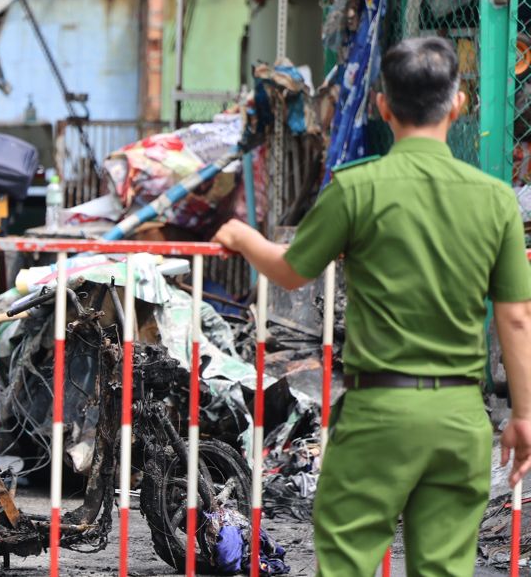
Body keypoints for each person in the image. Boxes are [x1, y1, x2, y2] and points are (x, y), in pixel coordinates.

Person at [212, 37, 531, 575]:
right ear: (458, 105)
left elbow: (291, 270)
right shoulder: (495, 199)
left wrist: (243, 238)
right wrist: (522, 415)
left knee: (349, 560)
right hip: (459, 416)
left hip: (377, 412)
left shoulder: (357, 188)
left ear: (383, 105)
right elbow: (516, 316)